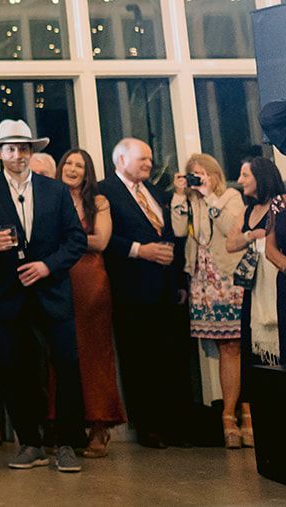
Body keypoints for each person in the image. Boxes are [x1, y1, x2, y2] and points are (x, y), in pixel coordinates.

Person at [0, 122, 87, 474]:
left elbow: (76, 240)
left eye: (23, 148)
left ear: (32, 152)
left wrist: (48, 266)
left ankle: (67, 444)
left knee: (66, 365)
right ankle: (30, 443)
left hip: (52, 292)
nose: (17, 155)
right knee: (13, 369)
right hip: (7, 295)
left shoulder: (55, 190)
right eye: (10, 148)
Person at [98, 138, 187, 448]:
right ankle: (147, 427)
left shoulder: (155, 192)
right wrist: (140, 250)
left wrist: (179, 282)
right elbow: (104, 240)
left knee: (167, 357)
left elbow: (171, 236)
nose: (149, 164)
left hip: (164, 288)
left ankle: (172, 424)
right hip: (131, 290)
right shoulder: (104, 191)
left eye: (150, 159)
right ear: (121, 160)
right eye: (142, 159)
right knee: (138, 360)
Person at [172, 152, 247, 447]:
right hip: (203, 281)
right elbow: (179, 230)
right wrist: (180, 196)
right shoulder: (190, 201)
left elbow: (231, 230)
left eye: (201, 174)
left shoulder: (230, 197)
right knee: (223, 346)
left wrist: (210, 196)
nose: (197, 179)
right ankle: (233, 413)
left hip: (228, 277)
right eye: (193, 174)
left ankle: (239, 414)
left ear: (214, 175)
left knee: (236, 345)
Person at [56, 148, 125, 457]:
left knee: (94, 351)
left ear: (88, 172)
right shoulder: (52, 197)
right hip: (58, 279)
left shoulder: (98, 201)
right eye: (68, 163)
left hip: (90, 281)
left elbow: (101, 240)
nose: (72, 169)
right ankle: (64, 426)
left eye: (79, 165)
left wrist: (63, 240)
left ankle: (100, 425)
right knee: (60, 352)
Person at [230, 156, 284, 393]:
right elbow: (230, 244)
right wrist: (250, 236)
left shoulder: (280, 205)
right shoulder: (247, 210)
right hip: (255, 282)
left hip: (276, 279)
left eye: (245, 175)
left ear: (261, 177)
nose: (240, 180)